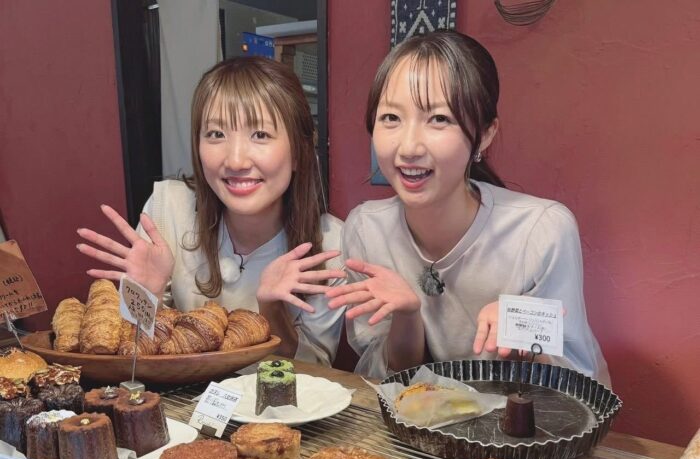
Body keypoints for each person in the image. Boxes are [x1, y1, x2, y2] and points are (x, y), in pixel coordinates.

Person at [327, 31, 610, 385]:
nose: (409, 147)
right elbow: (393, 379)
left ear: (485, 134)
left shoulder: (541, 231)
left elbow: (573, 389)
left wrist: (522, 333)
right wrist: (407, 316)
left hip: (524, 416)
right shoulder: (366, 230)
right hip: (422, 415)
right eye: (391, 118)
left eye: (439, 119)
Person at [77, 57, 345, 365]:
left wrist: (272, 310)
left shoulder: (330, 243)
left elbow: (316, 375)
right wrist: (146, 296)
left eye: (260, 135)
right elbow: (135, 357)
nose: (235, 161)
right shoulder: (168, 209)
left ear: (298, 151)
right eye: (216, 134)